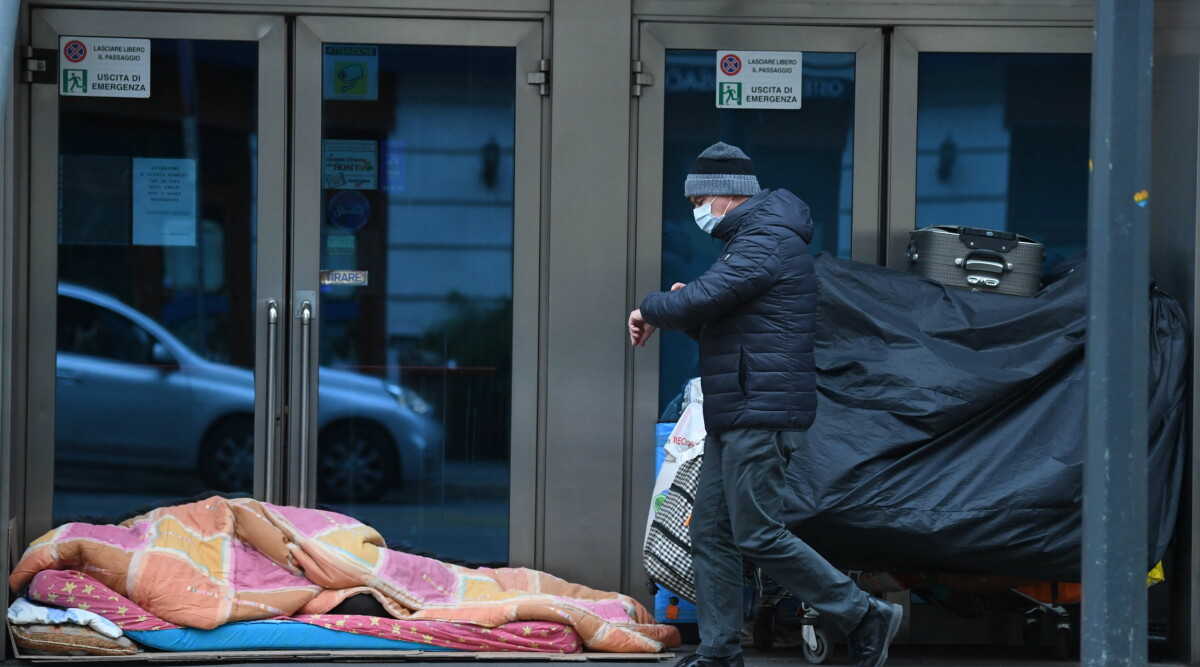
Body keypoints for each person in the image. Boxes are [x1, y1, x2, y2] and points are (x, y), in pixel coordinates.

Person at [628, 142, 902, 667]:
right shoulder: (748, 242)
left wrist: (651, 308)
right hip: (736, 411)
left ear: (729, 196)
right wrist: (681, 307)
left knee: (757, 533)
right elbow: (721, 317)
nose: (696, 212)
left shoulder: (767, 238)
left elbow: (705, 299)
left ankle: (862, 613)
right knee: (710, 531)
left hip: (762, 411)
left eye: (700, 199)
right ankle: (719, 651)